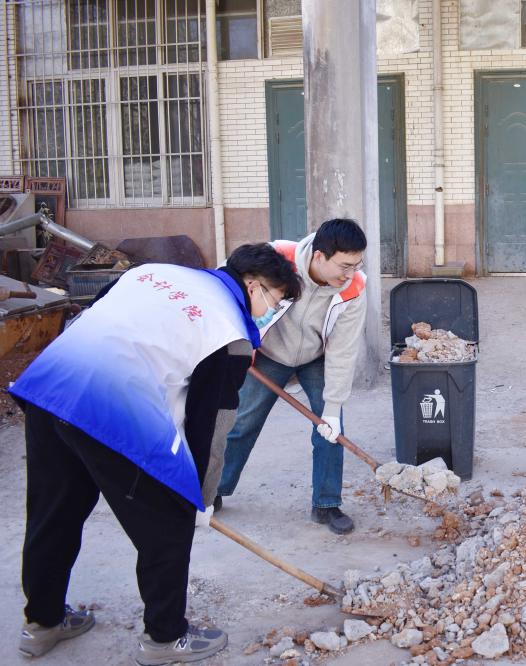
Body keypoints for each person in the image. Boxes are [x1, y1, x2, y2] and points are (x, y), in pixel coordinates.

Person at [9, 244, 302, 663]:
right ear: (254, 285)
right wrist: (200, 497)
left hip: (50, 383)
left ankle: (43, 622)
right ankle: (166, 640)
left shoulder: (152, 272)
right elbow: (211, 426)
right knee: (169, 523)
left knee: (52, 514)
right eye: (276, 300)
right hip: (112, 407)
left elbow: (100, 318)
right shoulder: (228, 332)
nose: (271, 312)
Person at [216, 218, 368, 535]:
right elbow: (228, 281)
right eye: (344, 265)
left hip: (316, 357)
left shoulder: (354, 288)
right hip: (270, 353)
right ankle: (214, 490)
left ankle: (327, 504)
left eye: (356, 265)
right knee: (242, 422)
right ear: (318, 257)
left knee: (329, 428)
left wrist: (333, 404)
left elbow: (344, 350)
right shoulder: (278, 256)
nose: (350, 273)